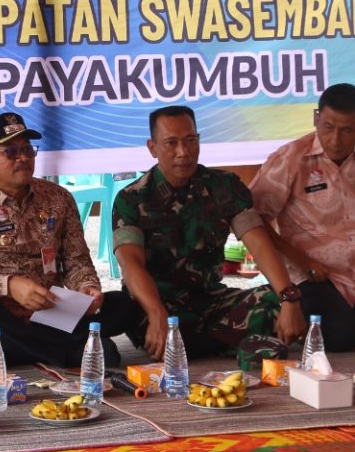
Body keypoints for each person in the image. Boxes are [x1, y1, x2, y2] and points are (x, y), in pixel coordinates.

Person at [0, 112, 135, 370]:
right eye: (11, 152)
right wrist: (10, 286)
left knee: (123, 304)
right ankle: (71, 352)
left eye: (27, 150)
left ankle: (7, 350)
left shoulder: (58, 198)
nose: (22, 158)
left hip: (50, 312)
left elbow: (76, 260)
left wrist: (86, 286)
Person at [112, 106, 306, 360]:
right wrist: (157, 314)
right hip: (158, 304)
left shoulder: (225, 186)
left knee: (280, 303)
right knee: (132, 312)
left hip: (212, 300)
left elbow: (258, 243)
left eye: (190, 141)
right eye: (171, 143)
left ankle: (201, 343)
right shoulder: (132, 198)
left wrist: (288, 298)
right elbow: (131, 264)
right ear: (152, 147)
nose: (183, 151)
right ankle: (227, 340)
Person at [249, 83, 355, 351]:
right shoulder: (291, 158)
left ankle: (350, 315)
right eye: (328, 127)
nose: (335, 139)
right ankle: (325, 316)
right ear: (316, 119)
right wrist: (301, 261)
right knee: (340, 337)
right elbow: (255, 218)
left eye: (346, 130)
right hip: (311, 277)